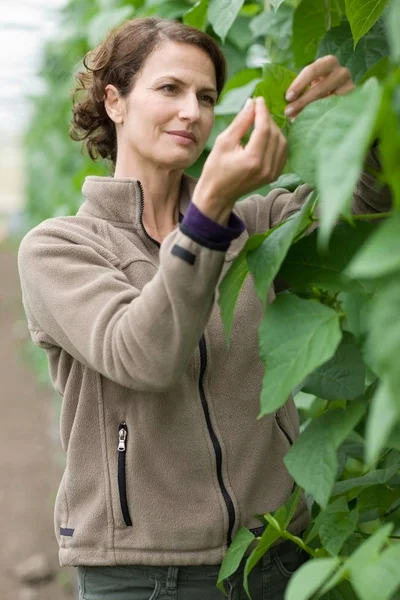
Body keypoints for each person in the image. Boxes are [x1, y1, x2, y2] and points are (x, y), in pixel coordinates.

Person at [17, 16, 391, 600]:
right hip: (143, 575)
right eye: (170, 89)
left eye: (207, 96)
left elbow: (365, 216)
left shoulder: (254, 225)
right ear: (114, 101)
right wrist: (210, 210)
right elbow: (141, 355)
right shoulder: (60, 248)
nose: (193, 111)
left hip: (272, 552)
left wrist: (356, 126)